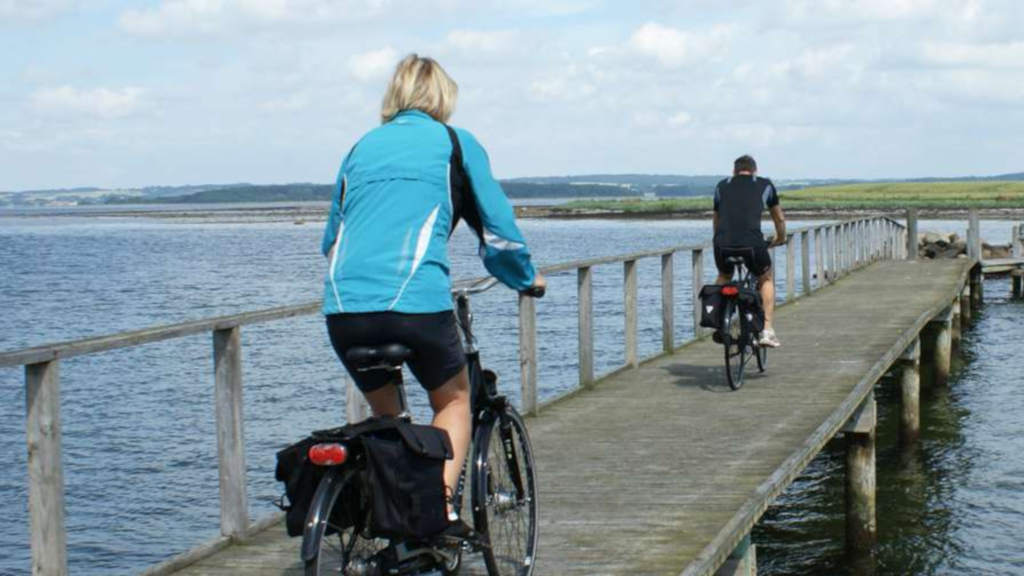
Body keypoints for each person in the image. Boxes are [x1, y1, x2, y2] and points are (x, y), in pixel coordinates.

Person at [320, 54, 546, 537]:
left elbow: (331, 239)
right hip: (415, 305)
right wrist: (526, 279)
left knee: (389, 418)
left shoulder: (360, 148)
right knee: (453, 402)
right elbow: (499, 233)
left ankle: (389, 520)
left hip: (344, 309)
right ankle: (438, 513)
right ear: (444, 97)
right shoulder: (454, 144)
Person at [712, 154, 786, 347]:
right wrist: (781, 238)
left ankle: (719, 323)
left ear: (733, 171)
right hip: (752, 243)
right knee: (765, 278)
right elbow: (779, 219)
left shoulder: (721, 186)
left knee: (724, 276)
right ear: (755, 171)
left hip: (722, 243)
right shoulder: (765, 185)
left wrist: (718, 241)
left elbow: (716, 220)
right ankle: (766, 331)